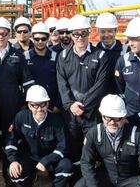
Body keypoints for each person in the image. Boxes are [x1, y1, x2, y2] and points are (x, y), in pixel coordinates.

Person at [0, 17, 34, 186]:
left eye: (3, 34)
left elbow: (27, 81)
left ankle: (8, 177)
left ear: (9, 34)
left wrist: (28, 104)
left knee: (9, 141)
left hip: (11, 107)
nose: (0, 37)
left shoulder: (17, 55)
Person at [56, 14, 110, 184]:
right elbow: (61, 83)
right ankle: (75, 181)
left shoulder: (100, 56)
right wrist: (70, 104)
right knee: (74, 148)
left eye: (83, 34)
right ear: (71, 35)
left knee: (92, 150)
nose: (80, 38)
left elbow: (100, 86)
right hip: (71, 114)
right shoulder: (63, 57)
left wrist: (83, 105)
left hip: (92, 115)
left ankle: (90, 182)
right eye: (76, 34)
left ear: (89, 33)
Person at [75, 94, 140, 187]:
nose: (112, 122)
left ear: (124, 117)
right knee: (81, 185)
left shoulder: (138, 135)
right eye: (108, 117)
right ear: (102, 115)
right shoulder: (94, 133)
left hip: (130, 180)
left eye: (116, 118)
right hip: (106, 177)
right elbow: (86, 162)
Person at [6, 85, 72, 187]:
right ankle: (29, 181)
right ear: (29, 105)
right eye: (35, 105)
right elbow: (11, 140)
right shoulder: (21, 117)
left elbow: (63, 147)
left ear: (47, 103)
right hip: (30, 156)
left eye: (43, 104)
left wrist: (46, 160)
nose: (39, 109)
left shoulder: (57, 121)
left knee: (66, 166)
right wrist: (13, 160)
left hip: (51, 157)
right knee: (15, 172)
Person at [114, 17, 140, 135]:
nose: (130, 43)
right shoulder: (123, 61)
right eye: (129, 39)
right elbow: (119, 90)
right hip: (131, 123)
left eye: (135, 39)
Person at [23, 22, 61, 112]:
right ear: (32, 38)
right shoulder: (24, 57)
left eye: (43, 39)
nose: (40, 42)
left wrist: (58, 105)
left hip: (52, 106)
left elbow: (62, 83)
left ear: (48, 38)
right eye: (37, 39)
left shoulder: (56, 57)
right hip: (32, 106)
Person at [95, 13, 130, 93]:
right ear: (98, 31)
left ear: (116, 31)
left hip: (121, 96)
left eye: (110, 31)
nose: (106, 35)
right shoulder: (94, 52)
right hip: (99, 98)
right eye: (103, 31)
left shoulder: (126, 51)